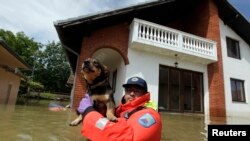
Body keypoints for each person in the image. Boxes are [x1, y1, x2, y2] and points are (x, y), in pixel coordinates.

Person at [78, 76, 162, 141]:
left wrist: (88, 112)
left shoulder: (150, 115)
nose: (132, 93)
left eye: (137, 91)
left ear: (145, 94)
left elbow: (128, 138)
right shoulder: (118, 110)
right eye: (128, 90)